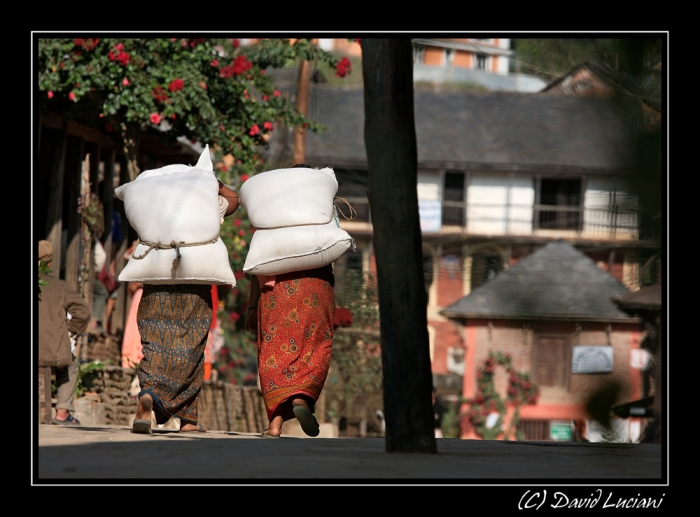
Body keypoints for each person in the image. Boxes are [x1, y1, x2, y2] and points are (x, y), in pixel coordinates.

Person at [131, 180, 239, 434]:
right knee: (191, 350)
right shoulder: (206, 204)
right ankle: (188, 421)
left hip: (157, 284)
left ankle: (147, 396)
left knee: (155, 345)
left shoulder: (151, 204)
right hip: (194, 286)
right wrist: (216, 184)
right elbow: (234, 200)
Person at [38, 240, 91, 425]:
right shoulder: (60, 287)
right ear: (50, 263)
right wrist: (71, 329)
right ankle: (62, 413)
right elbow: (83, 311)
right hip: (52, 350)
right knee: (69, 364)